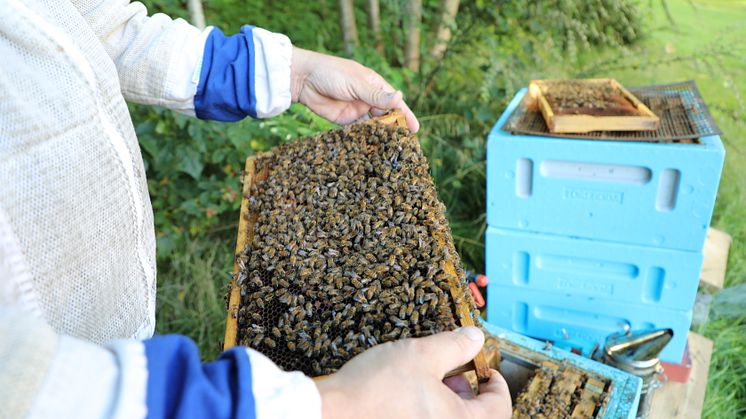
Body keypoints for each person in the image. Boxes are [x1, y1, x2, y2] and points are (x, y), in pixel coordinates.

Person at [0, 1, 512, 418]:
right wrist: (336, 404)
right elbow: (26, 386)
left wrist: (290, 73)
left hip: (118, 352)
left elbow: (88, 24)